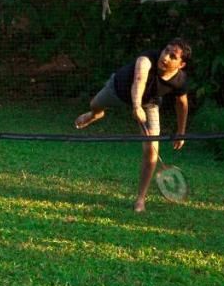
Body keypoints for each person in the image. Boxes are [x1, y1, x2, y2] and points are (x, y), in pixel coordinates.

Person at [73, 39, 191, 212]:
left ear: (181, 64)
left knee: (151, 150)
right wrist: (136, 106)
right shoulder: (146, 60)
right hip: (118, 90)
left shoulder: (179, 81)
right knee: (95, 105)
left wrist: (181, 131)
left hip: (149, 103)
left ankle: (140, 200)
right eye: (166, 50)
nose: (165, 57)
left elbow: (182, 103)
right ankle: (95, 115)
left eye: (172, 56)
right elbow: (139, 81)